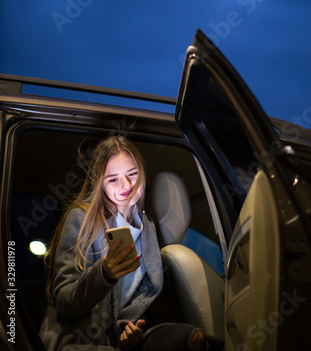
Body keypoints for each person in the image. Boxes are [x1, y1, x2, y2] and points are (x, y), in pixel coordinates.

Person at [39, 135, 224, 350]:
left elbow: (137, 301)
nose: (126, 185)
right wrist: (104, 274)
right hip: (79, 344)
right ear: (100, 185)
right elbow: (63, 303)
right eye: (113, 179)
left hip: (120, 344)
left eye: (132, 174)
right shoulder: (82, 219)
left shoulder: (148, 228)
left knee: (193, 339)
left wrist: (128, 330)